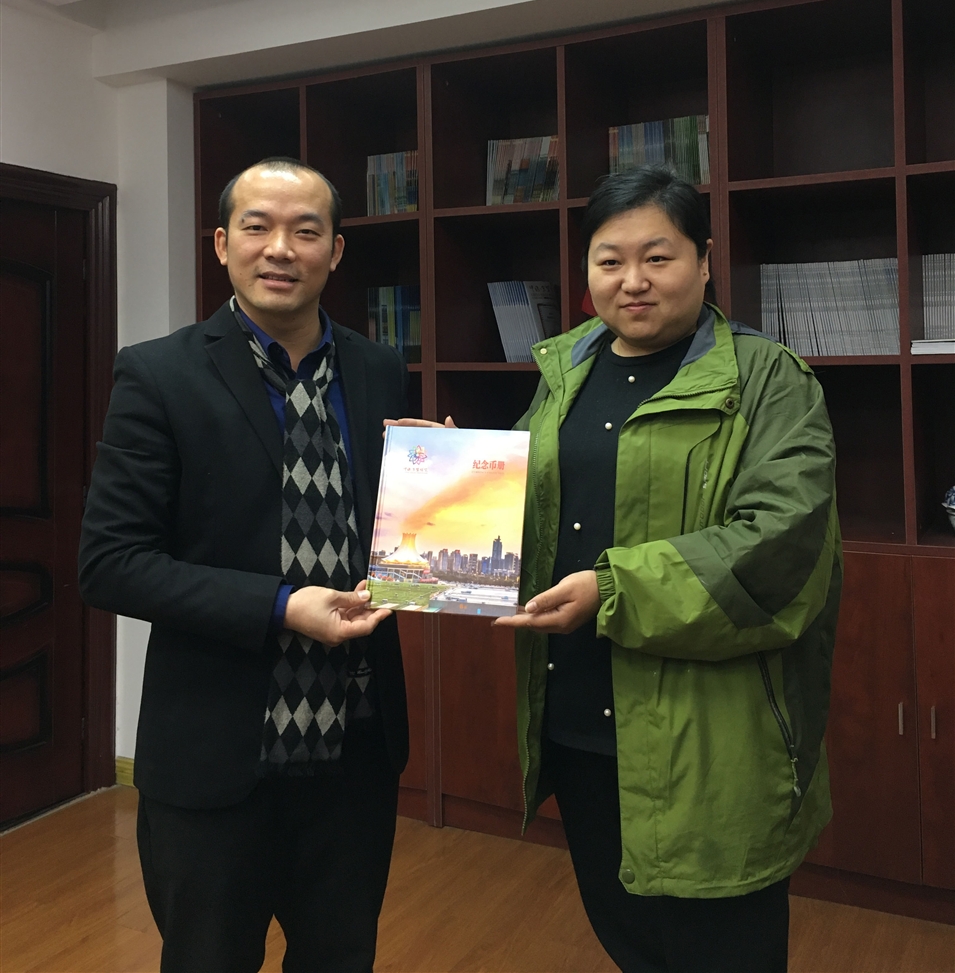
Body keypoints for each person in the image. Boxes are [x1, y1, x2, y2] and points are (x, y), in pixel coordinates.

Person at [393, 165, 840, 972]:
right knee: (629, 939)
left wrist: (611, 587)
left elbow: (781, 545)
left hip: (708, 735)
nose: (632, 280)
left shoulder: (767, 379)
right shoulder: (567, 369)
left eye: (656, 257)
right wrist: (454, 476)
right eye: (609, 260)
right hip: (580, 720)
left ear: (704, 260)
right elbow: (536, 512)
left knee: (720, 948)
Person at [79, 157, 409, 973]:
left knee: (340, 958)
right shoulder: (158, 373)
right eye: (257, 227)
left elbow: (384, 531)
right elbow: (112, 562)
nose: (280, 248)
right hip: (215, 755)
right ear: (223, 244)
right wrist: (281, 605)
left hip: (353, 748)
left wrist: (431, 488)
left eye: (306, 230)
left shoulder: (376, 369)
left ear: (336, 250)